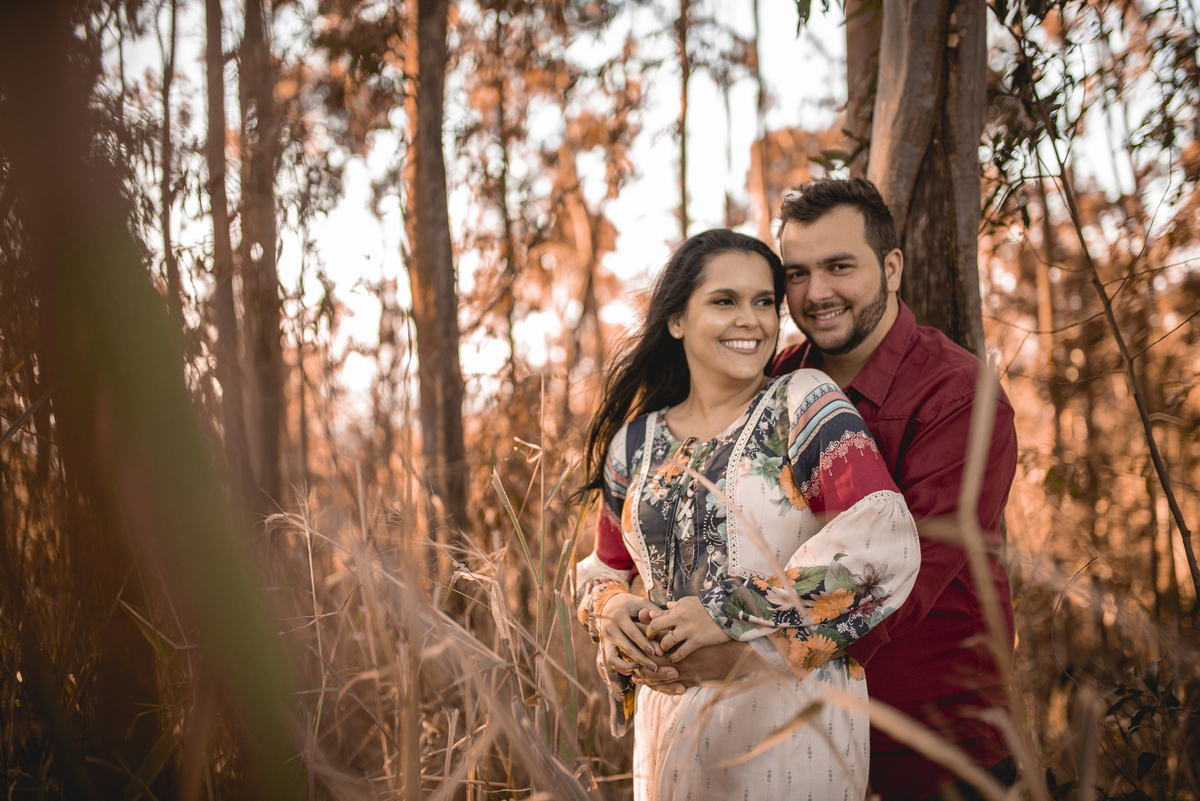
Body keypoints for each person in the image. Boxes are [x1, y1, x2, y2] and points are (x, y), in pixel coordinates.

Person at [637, 179, 1020, 801]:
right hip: (789, 737)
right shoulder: (775, 379)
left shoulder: (960, 397)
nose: (816, 293)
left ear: (891, 267)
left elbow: (905, 573)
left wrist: (738, 655)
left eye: (839, 267)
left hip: (929, 738)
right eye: (797, 273)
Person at [574, 228, 921, 801]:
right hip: (669, 732)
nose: (752, 321)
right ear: (677, 320)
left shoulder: (803, 403)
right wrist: (610, 611)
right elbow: (602, 570)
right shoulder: (632, 445)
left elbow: (882, 544)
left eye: (765, 303)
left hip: (794, 724)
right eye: (725, 301)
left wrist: (727, 611)